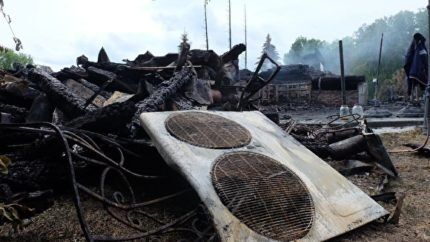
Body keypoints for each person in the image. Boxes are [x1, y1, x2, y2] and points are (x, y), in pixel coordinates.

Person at [404, 32, 428, 102]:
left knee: (413, 82)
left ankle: (416, 99)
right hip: (413, 70)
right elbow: (408, 59)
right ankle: (412, 99)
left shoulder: (420, 48)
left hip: (416, 71)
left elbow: (423, 60)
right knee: (412, 83)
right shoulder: (414, 48)